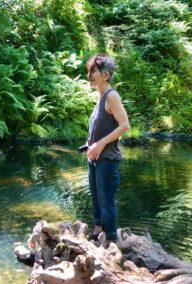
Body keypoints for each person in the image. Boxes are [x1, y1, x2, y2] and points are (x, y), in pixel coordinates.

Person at [85, 54, 130, 248]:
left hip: (107, 159)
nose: (90, 75)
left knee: (106, 201)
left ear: (106, 75)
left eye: (94, 71)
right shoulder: (100, 97)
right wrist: (91, 144)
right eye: (90, 71)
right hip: (94, 159)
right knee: (96, 198)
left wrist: (101, 143)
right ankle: (97, 232)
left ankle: (111, 242)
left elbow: (124, 125)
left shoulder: (112, 96)